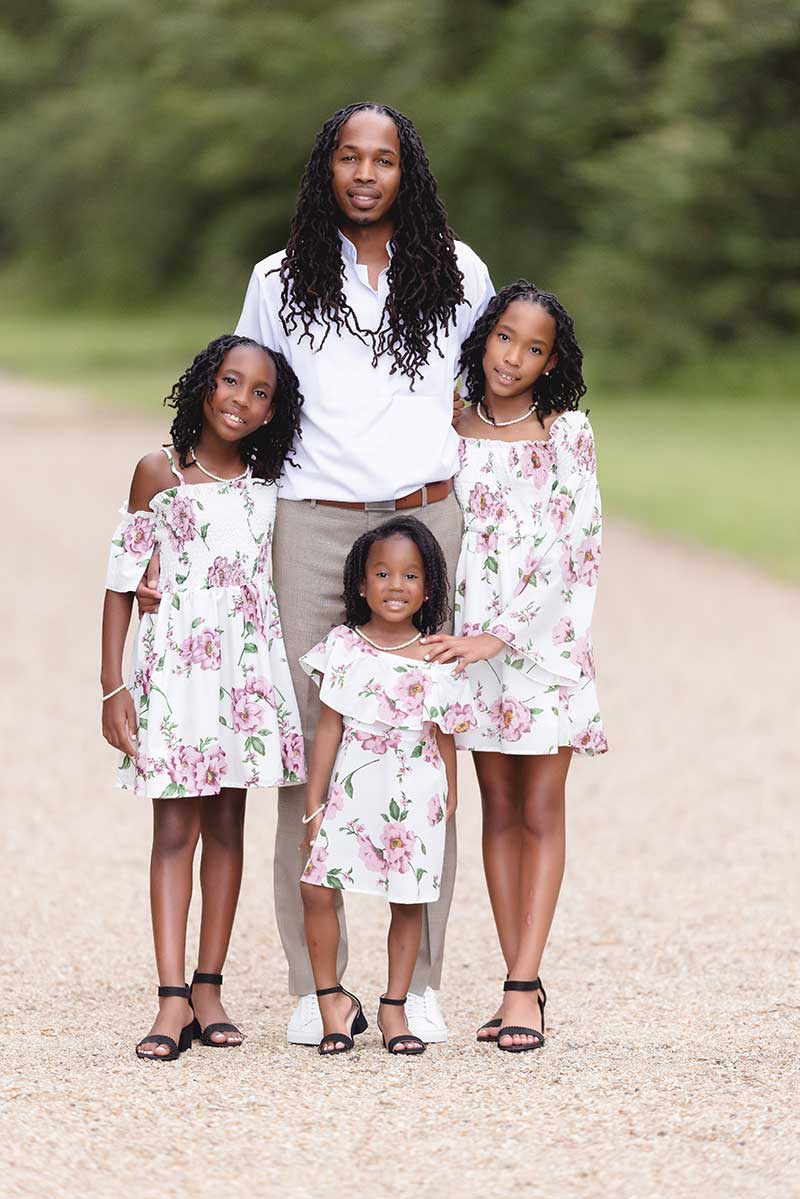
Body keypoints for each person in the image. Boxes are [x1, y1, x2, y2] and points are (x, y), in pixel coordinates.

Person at [230, 101, 494, 1045]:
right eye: (350, 156)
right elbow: (247, 400)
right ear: (328, 169)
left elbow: (484, 393)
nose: (367, 173)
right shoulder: (277, 277)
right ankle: (317, 985)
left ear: (406, 171)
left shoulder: (459, 271)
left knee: (423, 738)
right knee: (314, 747)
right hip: (312, 520)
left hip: (423, 516)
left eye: (384, 158)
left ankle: (415, 984)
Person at [101, 334, 306, 1060]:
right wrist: (112, 685)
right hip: (177, 677)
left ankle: (209, 984)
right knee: (172, 833)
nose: (241, 401)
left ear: (274, 411)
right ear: (203, 382)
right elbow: (123, 581)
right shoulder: (158, 471)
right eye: (229, 381)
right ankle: (170, 998)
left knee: (227, 828)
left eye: (260, 393)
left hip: (241, 679)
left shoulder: (272, 479)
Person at [421, 281, 607, 1053]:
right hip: (471, 650)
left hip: (542, 646)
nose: (514, 358)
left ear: (551, 360)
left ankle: (524, 982)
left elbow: (576, 547)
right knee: (496, 808)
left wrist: (503, 635)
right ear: (485, 335)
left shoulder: (565, 433)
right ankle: (516, 977)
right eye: (505, 338)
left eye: (534, 348)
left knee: (540, 807)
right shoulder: (450, 426)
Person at [299, 517, 476, 1055]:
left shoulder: (439, 658)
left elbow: (444, 736)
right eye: (382, 573)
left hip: (414, 796)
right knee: (316, 888)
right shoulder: (343, 648)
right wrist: (313, 803)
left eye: (410, 576)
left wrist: (449, 796)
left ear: (427, 589)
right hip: (352, 794)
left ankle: (395, 1007)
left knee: (409, 901)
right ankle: (331, 999)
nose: (396, 586)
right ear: (360, 583)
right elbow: (329, 726)